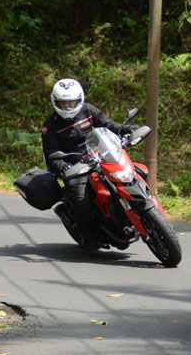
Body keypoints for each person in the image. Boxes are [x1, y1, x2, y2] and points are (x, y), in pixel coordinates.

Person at [42, 78, 138, 248]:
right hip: (74, 167)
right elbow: (50, 153)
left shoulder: (88, 110)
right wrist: (61, 165)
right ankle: (84, 232)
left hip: (99, 155)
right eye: (64, 103)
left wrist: (127, 130)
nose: (68, 107)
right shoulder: (50, 125)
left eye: (72, 102)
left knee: (133, 174)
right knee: (83, 200)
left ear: (79, 99)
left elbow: (108, 125)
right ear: (55, 102)